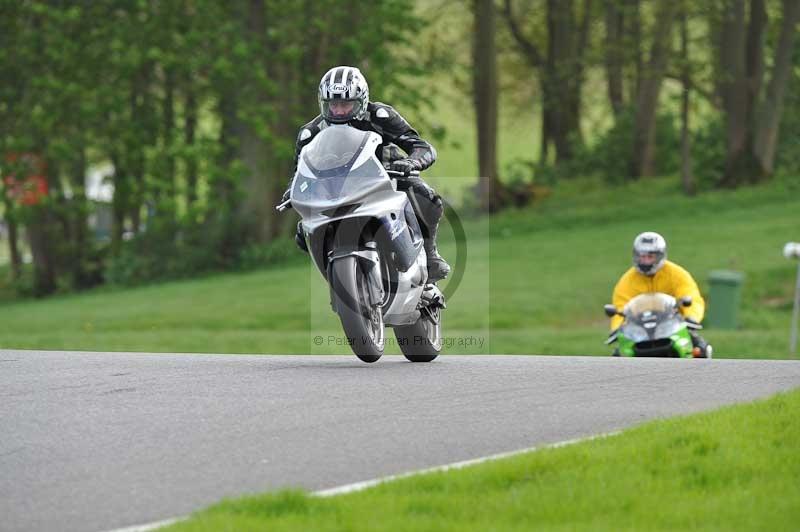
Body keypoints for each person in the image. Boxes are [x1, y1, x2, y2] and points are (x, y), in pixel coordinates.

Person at [282, 65, 450, 281]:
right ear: (323, 103)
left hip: (385, 180)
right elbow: (299, 172)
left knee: (426, 197)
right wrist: (291, 192)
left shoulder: (380, 115)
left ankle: (430, 254)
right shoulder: (310, 133)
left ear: (361, 100)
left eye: (346, 104)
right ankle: (338, 281)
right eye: (333, 105)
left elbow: (422, 147)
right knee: (302, 235)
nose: (340, 111)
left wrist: (410, 162)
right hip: (334, 192)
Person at [610, 231, 713, 357]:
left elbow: (691, 296)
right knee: (618, 355)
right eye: (641, 256)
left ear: (660, 256)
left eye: (650, 256)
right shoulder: (627, 281)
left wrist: (691, 317)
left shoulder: (676, 274)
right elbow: (620, 307)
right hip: (640, 331)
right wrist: (617, 328)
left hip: (671, 325)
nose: (645, 261)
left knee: (700, 349)